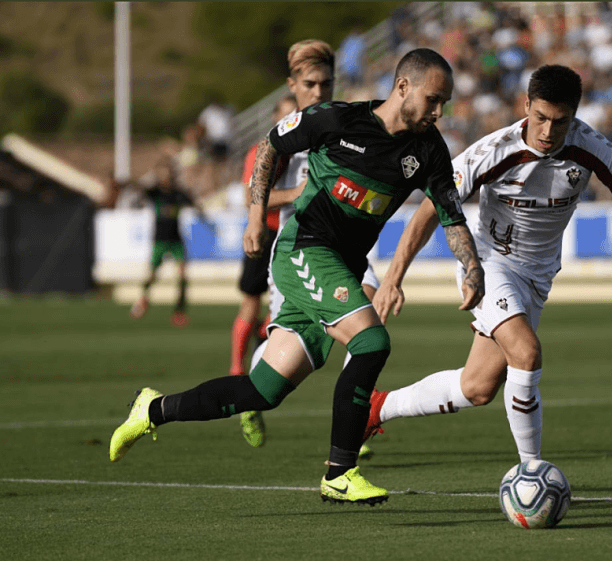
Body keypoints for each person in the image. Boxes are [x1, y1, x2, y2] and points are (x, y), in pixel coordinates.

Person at [109, 48, 485, 506]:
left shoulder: (428, 149)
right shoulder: (337, 120)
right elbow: (270, 145)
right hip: (302, 251)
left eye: (444, 102)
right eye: (433, 99)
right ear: (402, 86)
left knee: (261, 391)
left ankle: (150, 409)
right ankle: (340, 472)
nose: (438, 111)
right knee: (372, 342)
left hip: (338, 267)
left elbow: (450, 214)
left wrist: (472, 266)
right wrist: (253, 217)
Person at [365, 65, 612, 463]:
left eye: (559, 122)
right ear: (526, 105)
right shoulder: (494, 150)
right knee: (526, 354)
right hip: (489, 264)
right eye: (540, 117)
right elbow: (430, 208)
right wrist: (393, 278)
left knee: (477, 387)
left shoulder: (591, 147)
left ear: (574, 118)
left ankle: (375, 409)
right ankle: (532, 472)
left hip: (538, 277)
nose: (546, 131)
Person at [230, 40, 381, 449]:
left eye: (326, 84)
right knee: (291, 341)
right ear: (293, 85)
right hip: (298, 245)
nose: (319, 92)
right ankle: (249, 387)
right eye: (311, 84)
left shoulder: (344, 123)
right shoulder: (285, 136)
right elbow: (254, 190)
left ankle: (357, 414)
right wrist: (273, 210)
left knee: (371, 308)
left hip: (345, 243)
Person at [130, 157, 208, 327]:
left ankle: (179, 311)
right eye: (162, 173)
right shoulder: (155, 192)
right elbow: (137, 189)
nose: (166, 176)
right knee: (152, 275)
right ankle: (143, 300)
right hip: (159, 239)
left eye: (168, 172)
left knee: (182, 275)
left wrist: (203, 213)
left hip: (176, 240)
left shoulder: (178, 193)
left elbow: (194, 203)